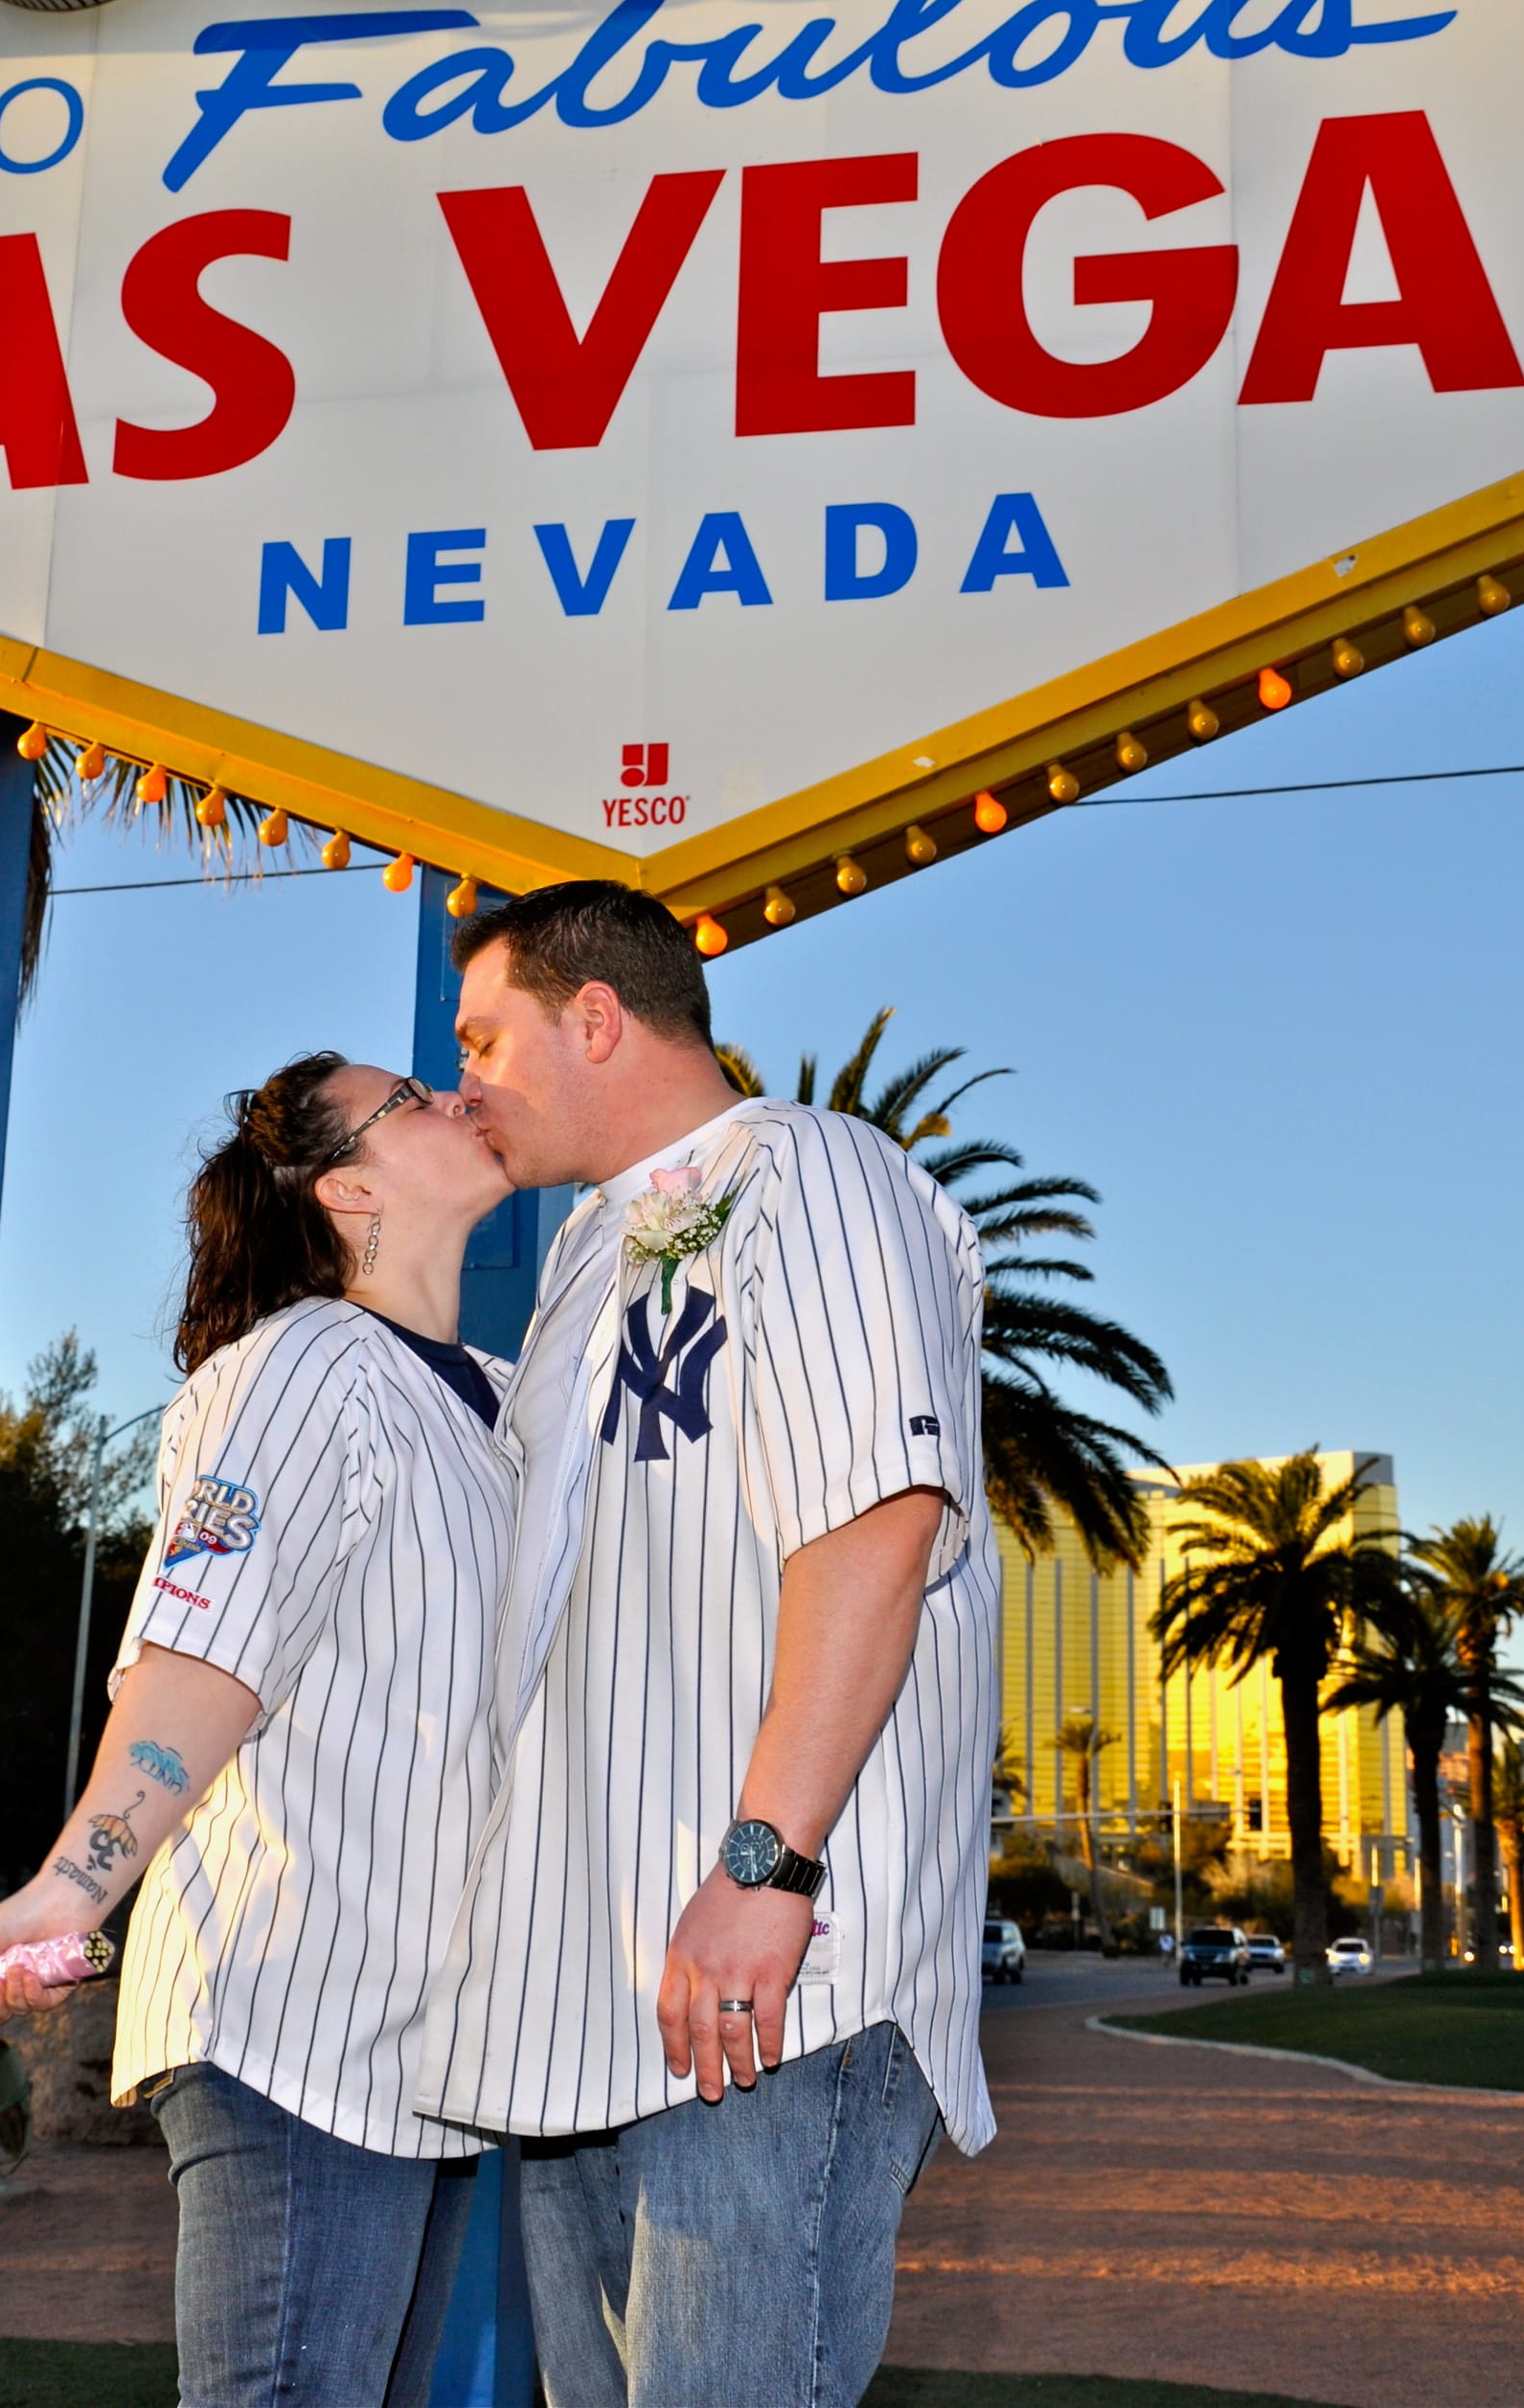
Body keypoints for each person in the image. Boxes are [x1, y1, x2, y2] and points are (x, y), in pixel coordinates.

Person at [417, 883, 1000, 2408]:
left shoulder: (808, 1167)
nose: (463, 1074)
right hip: (590, 1998)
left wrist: (769, 1863)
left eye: (486, 1035)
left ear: (594, 1016)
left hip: (759, 1984)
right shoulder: (575, 1266)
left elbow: (879, 1517)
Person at [0, 1055, 518, 2408]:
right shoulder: (305, 1365)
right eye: (415, 1100)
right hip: (295, 2017)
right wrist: (73, 1885)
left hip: (425, 2042)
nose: (456, 1096)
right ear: (352, 1186)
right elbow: (205, 1656)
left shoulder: (503, 1395)